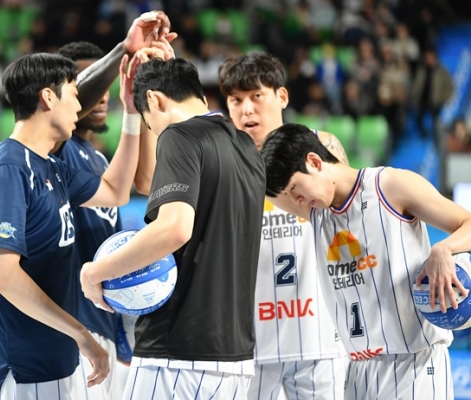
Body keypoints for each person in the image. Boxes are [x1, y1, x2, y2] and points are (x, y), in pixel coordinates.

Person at [0, 12, 174, 399]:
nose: (81, 102)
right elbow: (3, 276)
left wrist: (132, 112)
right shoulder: (9, 168)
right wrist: (80, 332)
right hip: (26, 366)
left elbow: (116, 191)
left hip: (60, 357)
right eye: (73, 92)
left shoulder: (51, 165)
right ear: (48, 97)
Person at [80, 56, 266, 399]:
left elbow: (174, 229)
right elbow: (151, 182)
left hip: (178, 351)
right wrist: (135, 110)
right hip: (236, 358)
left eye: (149, 123)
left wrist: (95, 273)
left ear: (154, 99)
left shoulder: (179, 136)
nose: (154, 132)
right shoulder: (246, 148)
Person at [260, 123, 471, 399]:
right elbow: (262, 184)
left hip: (415, 364)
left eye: (294, 188)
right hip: (358, 370)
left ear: (314, 162)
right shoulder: (315, 211)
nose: (295, 200)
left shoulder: (390, 185)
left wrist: (444, 248)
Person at [218, 50, 348, 400]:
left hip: (318, 334)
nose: (247, 110)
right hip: (248, 343)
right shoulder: (220, 160)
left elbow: (346, 221)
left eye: (256, 96)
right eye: (236, 100)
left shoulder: (321, 146)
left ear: (282, 96)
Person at [54, 40, 134, 400]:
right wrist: (124, 49)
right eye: (90, 82)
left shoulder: (100, 160)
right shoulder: (57, 148)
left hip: (104, 325)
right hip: (73, 325)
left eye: (107, 83)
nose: (103, 95)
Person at [411, 48, 454, 148]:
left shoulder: (442, 71)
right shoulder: (422, 70)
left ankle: (436, 140)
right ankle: (423, 135)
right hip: (422, 99)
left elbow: (450, 86)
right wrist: (413, 95)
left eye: (430, 57)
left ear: (435, 57)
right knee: (418, 119)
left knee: (436, 122)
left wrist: (445, 98)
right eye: (427, 57)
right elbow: (416, 84)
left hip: (435, 101)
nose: (428, 59)